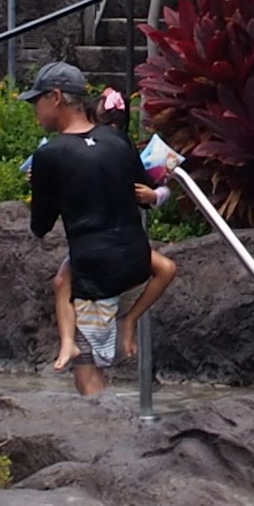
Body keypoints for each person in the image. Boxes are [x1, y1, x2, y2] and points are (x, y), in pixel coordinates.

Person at [24, 62, 176, 397]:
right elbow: (144, 193)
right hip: (136, 260)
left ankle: (104, 433)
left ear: (56, 97)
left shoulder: (49, 155)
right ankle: (131, 320)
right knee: (66, 281)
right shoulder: (117, 140)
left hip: (95, 272)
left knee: (85, 362)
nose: (35, 108)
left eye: (38, 100)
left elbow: (40, 226)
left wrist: (41, 186)